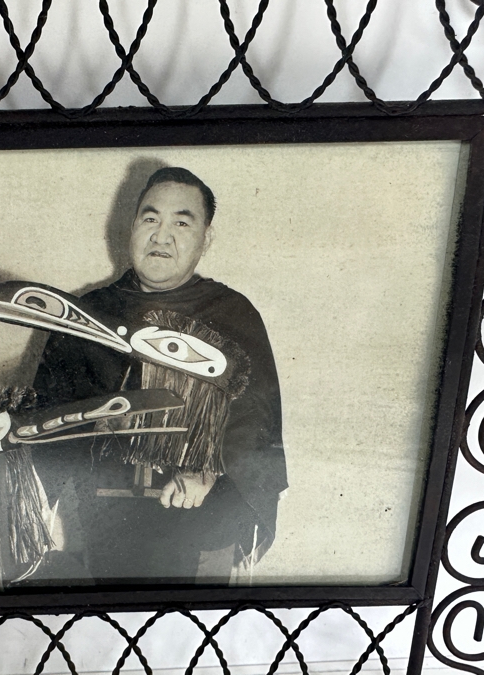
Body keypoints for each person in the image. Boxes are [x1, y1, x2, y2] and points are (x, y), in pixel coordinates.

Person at [31, 167, 287, 583]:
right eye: (150, 219)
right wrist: (42, 505)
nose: (161, 235)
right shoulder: (85, 315)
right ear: (131, 227)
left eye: (181, 223)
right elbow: (45, 420)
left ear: (205, 237)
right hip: (106, 529)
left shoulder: (233, 316)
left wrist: (208, 468)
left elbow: (257, 429)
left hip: (202, 527)